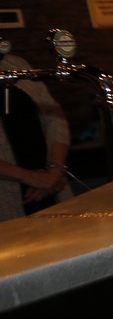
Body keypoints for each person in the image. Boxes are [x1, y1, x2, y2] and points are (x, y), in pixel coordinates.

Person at [0, 50, 72, 221]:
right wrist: (32, 178)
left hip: (50, 186)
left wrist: (54, 171)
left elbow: (55, 117)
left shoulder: (15, 63)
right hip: (7, 197)